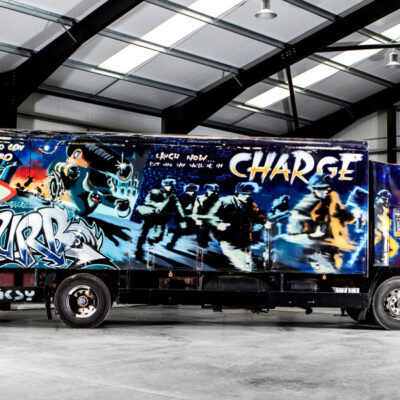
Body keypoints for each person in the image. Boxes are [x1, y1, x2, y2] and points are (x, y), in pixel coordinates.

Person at [287, 173, 355, 270]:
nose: (326, 191)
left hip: (332, 248)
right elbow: (291, 238)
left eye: (327, 188)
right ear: (313, 189)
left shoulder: (329, 201)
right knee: (328, 271)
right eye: (322, 188)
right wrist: (312, 235)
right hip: (315, 252)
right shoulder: (300, 211)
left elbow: (340, 213)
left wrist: (354, 219)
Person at [209, 182, 267, 271]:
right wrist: (219, 223)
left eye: (248, 194)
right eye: (244, 194)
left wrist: (265, 221)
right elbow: (211, 215)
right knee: (248, 267)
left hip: (244, 240)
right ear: (238, 193)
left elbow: (258, 215)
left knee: (249, 266)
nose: (247, 196)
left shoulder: (251, 204)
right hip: (228, 240)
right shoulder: (225, 201)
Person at [135, 178, 184, 260]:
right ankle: (138, 250)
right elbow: (147, 201)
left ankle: (150, 240)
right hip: (150, 215)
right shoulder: (155, 192)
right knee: (143, 234)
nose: (169, 187)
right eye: (168, 185)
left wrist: (182, 216)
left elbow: (179, 207)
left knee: (158, 237)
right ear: (164, 185)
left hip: (161, 219)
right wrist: (156, 204)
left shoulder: (173, 197)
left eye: (171, 186)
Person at [167, 183, 199, 250]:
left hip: (187, 217)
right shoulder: (183, 197)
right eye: (190, 191)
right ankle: (171, 243)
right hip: (181, 216)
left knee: (186, 231)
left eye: (193, 191)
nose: (191, 192)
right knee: (179, 230)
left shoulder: (194, 199)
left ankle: (172, 238)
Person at [192, 183, 220, 248]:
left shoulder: (218, 200)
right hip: (202, 219)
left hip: (213, 220)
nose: (214, 193)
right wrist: (196, 219)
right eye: (212, 191)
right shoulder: (200, 198)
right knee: (202, 237)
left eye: (216, 192)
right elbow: (195, 210)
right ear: (208, 191)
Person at [374, 189, 398, 264]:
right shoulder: (375, 207)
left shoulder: (387, 209)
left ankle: (382, 259)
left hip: (384, 232)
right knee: (379, 247)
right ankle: (378, 258)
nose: (386, 201)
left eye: (387, 199)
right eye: (384, 199)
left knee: (394, 248)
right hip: (377, 232)